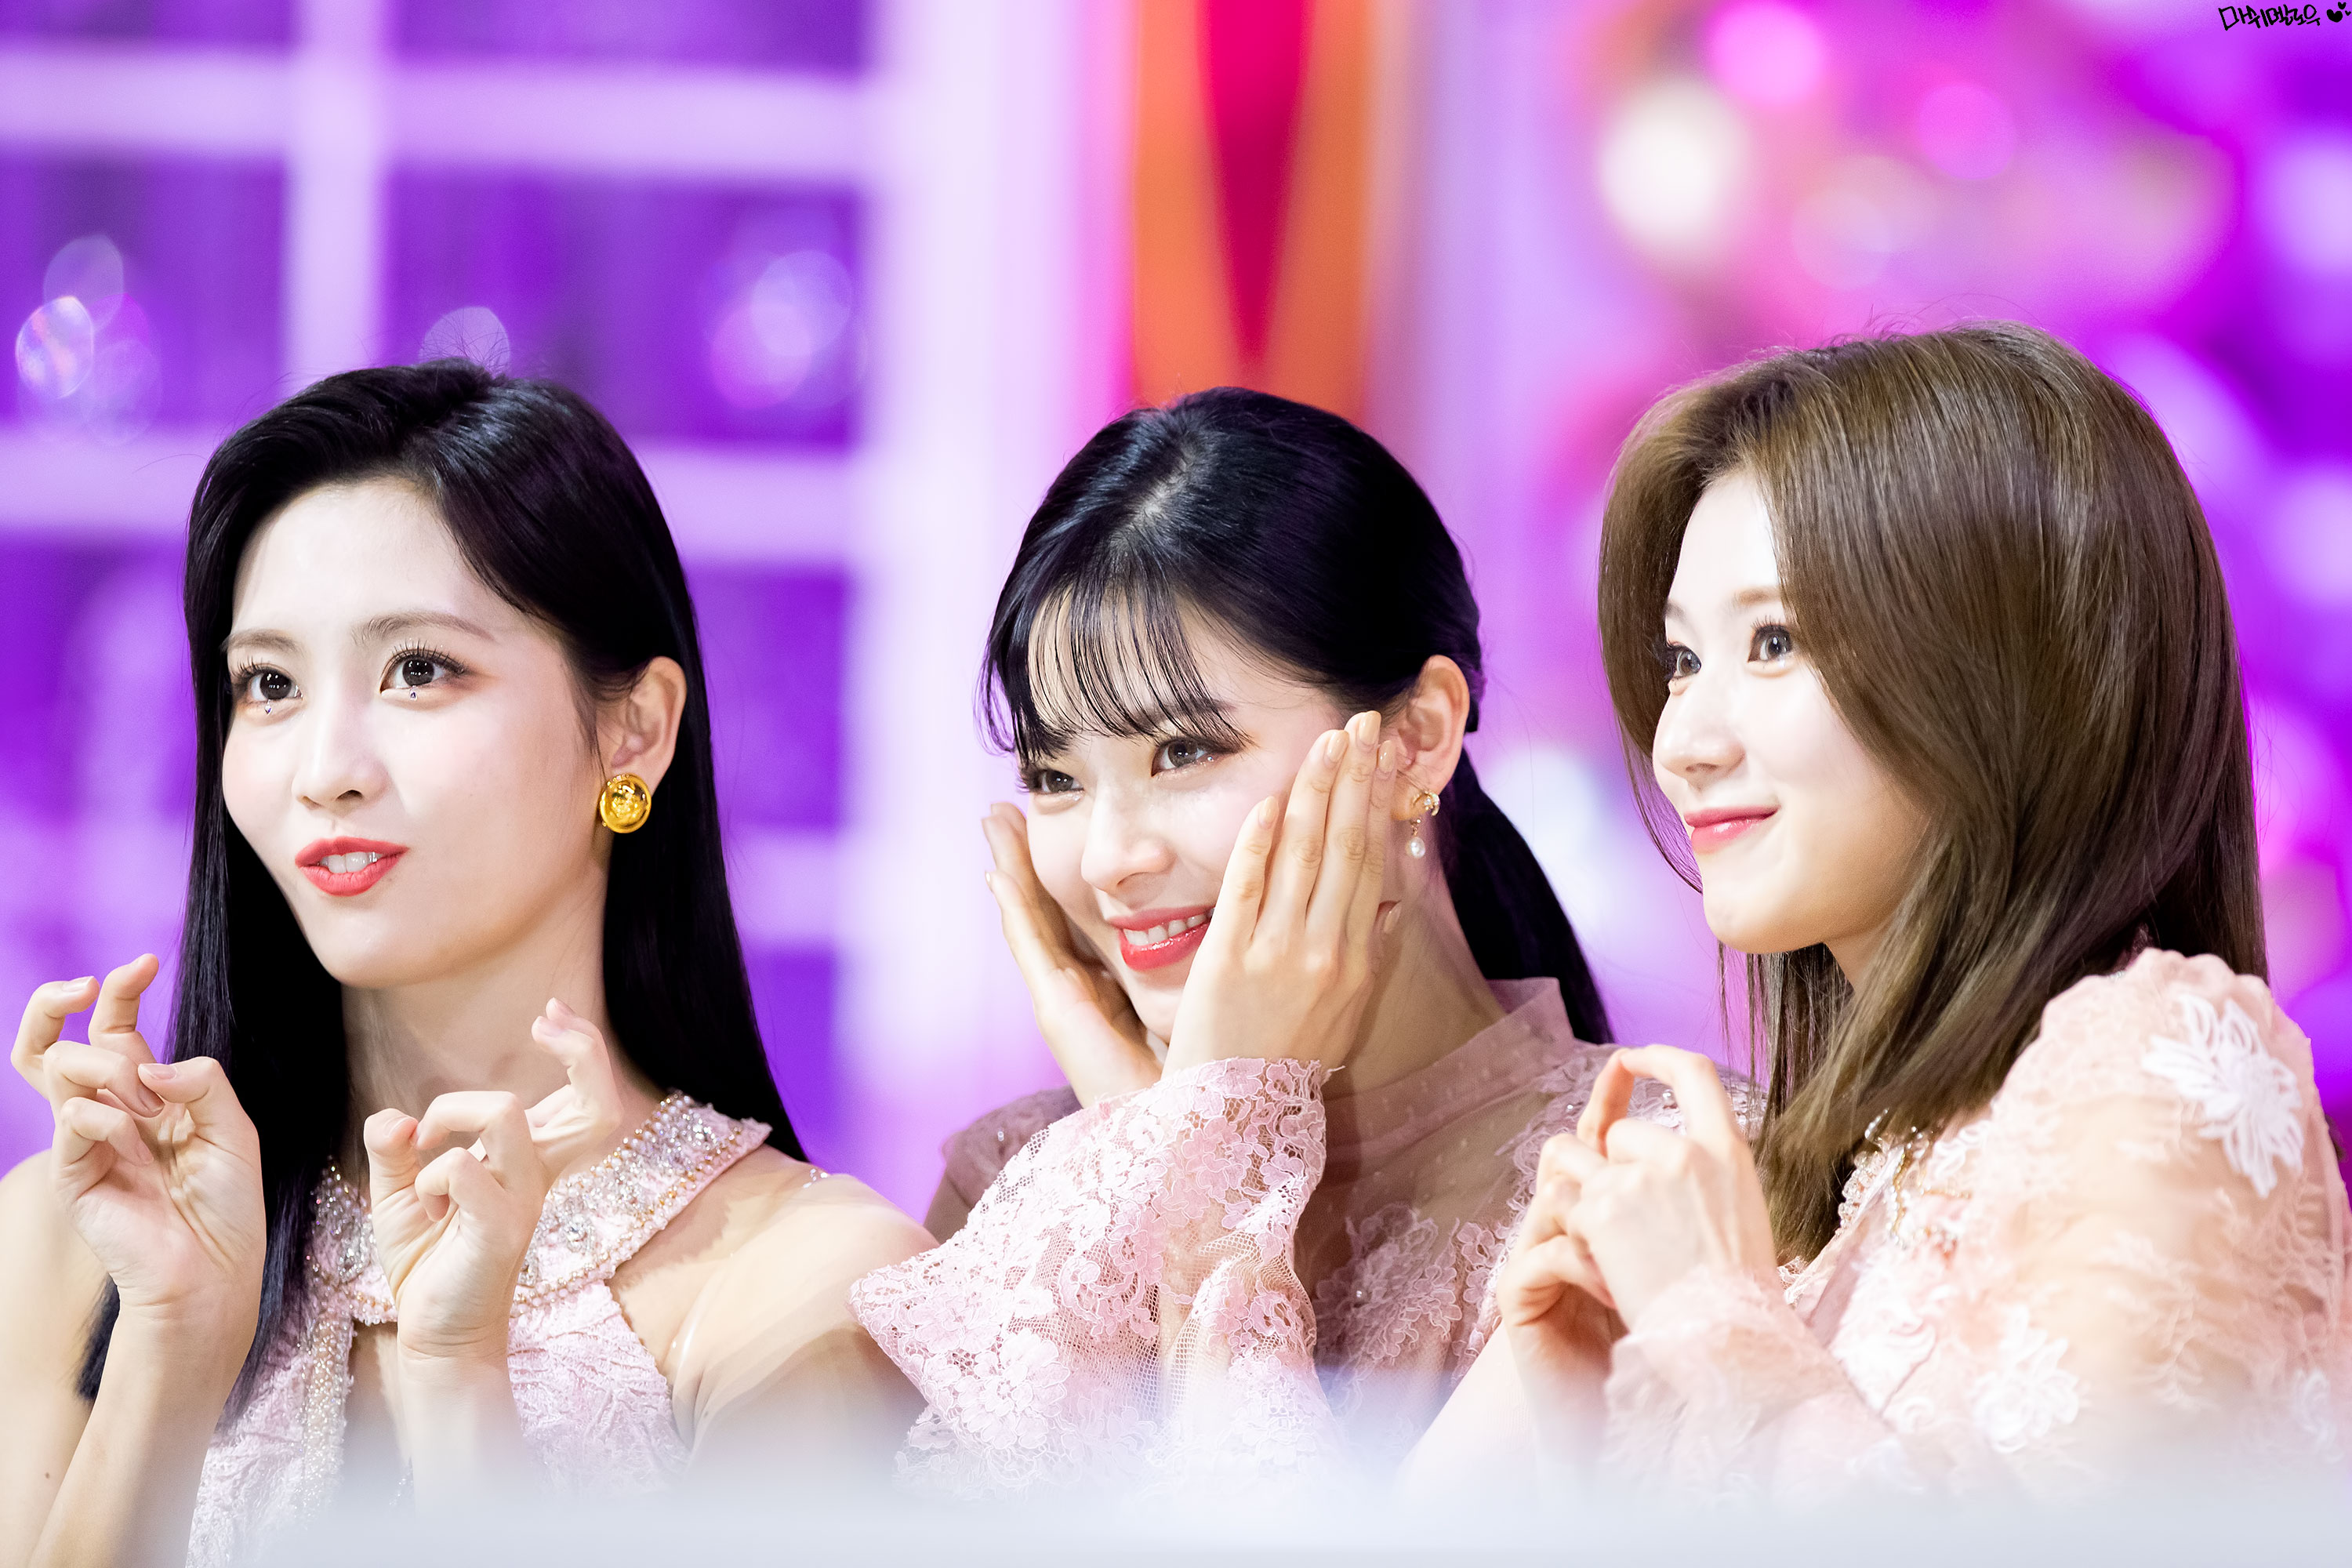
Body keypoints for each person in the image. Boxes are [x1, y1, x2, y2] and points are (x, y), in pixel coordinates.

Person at [0, 363, 929, 1567]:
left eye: (420, 670)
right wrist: (169, 1346)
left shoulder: (806, 1288)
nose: (325, 769)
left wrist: (460, 1392)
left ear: (634, 730)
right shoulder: (78, 1238)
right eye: (269, 686)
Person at [1488, 322, 2350, 1499]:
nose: (1680, 740)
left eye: (1773, 642)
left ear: (2007, 671)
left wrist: (1709, 1317)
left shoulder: (2152, 1060)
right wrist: (1597, 1439)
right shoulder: (1836, 1178)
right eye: (1682, 660)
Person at [849, 387, 1747, 1494]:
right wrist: (1154, 1152)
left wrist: (1202, 1161)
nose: (1108, 859)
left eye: (1183, 753)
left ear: (1416, 737)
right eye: (1056, 777)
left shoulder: (1656, 1176)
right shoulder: (1025, 1186)